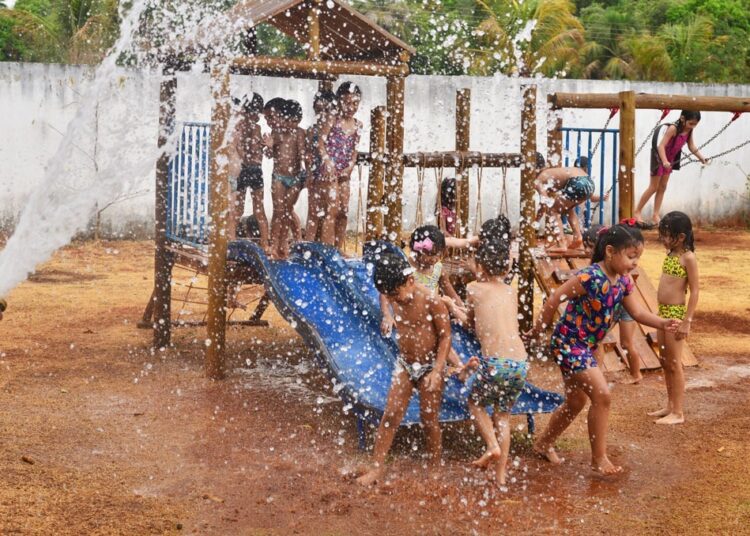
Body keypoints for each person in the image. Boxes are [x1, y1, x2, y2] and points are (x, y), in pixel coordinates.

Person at [528, 224, 680, 475]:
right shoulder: (589, 278)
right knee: (602, 395)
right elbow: (555, 298)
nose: (635, 263)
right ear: (610, 251)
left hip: (584, 346)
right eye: (631, 256)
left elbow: (638, 313)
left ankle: (543, 444)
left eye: (638, 257)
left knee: (576, 401)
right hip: (568, 343)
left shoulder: (623, 282)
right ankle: (599, 459)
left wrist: (663, 323)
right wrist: (537, 330)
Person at [357, 253, 452, 486]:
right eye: (389, 297)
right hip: (406, 364)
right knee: (390, 416)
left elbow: (446, 336)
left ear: (409, 281)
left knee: (429, 418)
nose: (393, 300)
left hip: (430, 366)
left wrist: (438, 370)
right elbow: (385, 295)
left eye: (395, 295)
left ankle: (435, 466)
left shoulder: (431, 300)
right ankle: (376, 469)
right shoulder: (394, 293)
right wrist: (388, 313)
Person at [453, 231, 527, 487]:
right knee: (502, 415)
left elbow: (471, 322)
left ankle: (492, 446)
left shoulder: (473, 288)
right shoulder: (511, 291)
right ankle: (500, 476)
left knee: (474, 402)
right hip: (520, 364)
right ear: (507, 265)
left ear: (480, 265)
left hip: (495, 363)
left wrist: (453, 308)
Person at [379, 225, 463, 369]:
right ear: (417, 251)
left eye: (439, 254)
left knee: (446, 309)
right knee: (436, 335)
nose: (435, 258)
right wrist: (387, 315)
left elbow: (451, 293)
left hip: (433, 311)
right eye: (431, 254)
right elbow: (385, 294)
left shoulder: (438, 268)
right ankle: (459, 366)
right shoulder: (405, 269)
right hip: (412, 313)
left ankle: (457, 365)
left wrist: (461, 308)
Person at [649, 211, 699, 425]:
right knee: (665, 361)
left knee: (675, 362)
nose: (663, 240)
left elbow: (695, 291)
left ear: (680, 237)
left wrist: (687, 321)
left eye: (667, 236)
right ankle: (670, 405)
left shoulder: (688, 257)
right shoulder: (670, 255)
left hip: (676, 315)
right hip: (664, 313)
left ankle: (678, 412)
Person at [583, 224, 643, 384]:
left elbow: (627, 289)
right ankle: (598, 373)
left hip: (625, 309)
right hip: (612, 307)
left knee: (626, 342)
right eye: (586, 246)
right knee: (598, 340)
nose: (588, 250)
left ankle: (636, 374)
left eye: (591, 246)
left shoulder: (621, 271)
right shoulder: (596, 268)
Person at [634, 111, 709, 227]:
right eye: (691, 123)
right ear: (683, 119)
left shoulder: (689, 130)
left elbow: (691, 146)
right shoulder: (673, 128)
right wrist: (664, 161)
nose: (692, 126)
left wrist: (701, 158)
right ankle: (637, 211)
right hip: (659, 157)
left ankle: (655, 215)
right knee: (653, 187)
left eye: (695, 124)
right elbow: (661, 146)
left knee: (663, 187)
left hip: (670, 159)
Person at [319, 82, 362, 250]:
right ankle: (326, 250)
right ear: (339, 101)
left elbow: (354, 150)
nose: (351, 107)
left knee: (343, 211)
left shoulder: (358, 125)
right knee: (332, 210)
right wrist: (328, 162)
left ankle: (338, 248)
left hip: (345, 172)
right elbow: (320, 144)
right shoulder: (332, 120)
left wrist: (351, 166)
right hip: (329, 171)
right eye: (347, 102)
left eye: (355, 103)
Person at [535, 156, 608, 250]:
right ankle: (578, 237)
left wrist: (536, 221)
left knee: (553, 210)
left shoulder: (539, 179)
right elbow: (588, 193)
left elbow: (544, 201)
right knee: (568, 209)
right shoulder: (550, 172)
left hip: (577, 183)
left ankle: (561, 244)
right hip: (589, 182)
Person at [265, 99, 306, 259]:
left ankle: (296, 240)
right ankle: (275, 245)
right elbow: (270, 155)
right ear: (282, 118)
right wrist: (268, 146)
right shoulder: (276, 133)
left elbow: (303, 154)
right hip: (278, 176)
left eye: (295, 121)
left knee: (287, 211)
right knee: (278, 211)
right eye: (288, 121)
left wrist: (307, 175)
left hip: (295, 178)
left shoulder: (300, 133)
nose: (291, 125)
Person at [231, 93, 269, 251]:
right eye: (256, 112)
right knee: (258, 209)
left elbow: (245, 149)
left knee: (239, 209)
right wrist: (262, 146)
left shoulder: (242, 126)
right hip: (253, 169)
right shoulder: (252, 127)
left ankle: (232, 239)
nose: (257, 116)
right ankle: (265, 243)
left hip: (247, 169)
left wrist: (262, 145)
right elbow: (251, 149)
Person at [304, 90, 337, 242]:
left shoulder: (336, 128)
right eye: (318, 109)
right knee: (313, 213)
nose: (322, 113)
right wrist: (310, 175)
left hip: (332, 176)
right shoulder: (312, 130)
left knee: (330, 213)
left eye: (326, 109)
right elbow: (308, 155)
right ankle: (309, 245)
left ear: (333, 110)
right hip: (317, 175)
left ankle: (327, 247)